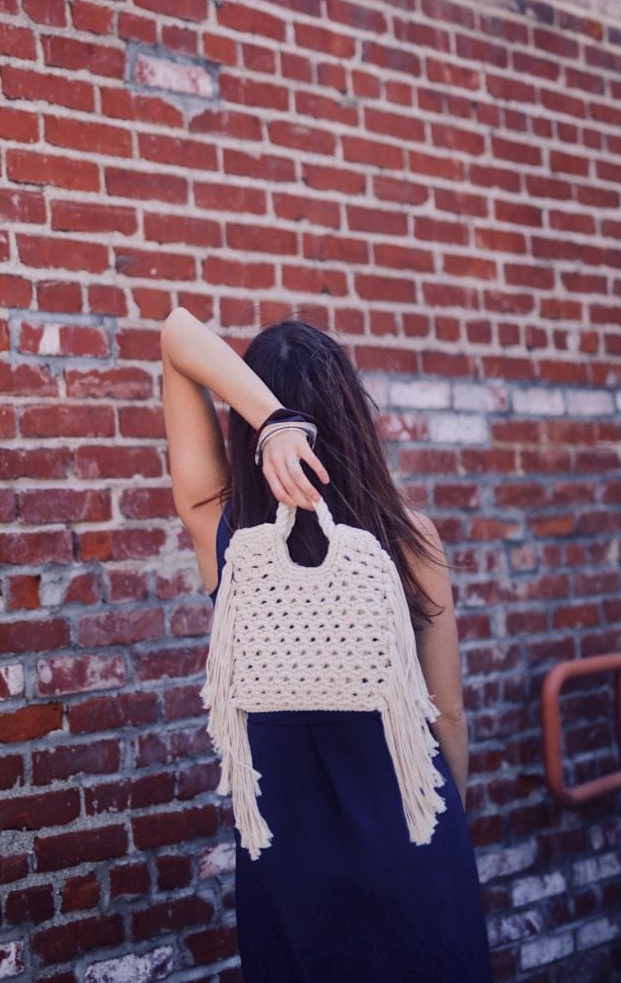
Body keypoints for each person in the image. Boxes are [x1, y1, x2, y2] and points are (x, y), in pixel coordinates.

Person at [161, 307, 493, 983]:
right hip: (412, 847)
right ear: (350, 416)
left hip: (288, 870)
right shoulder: (409, 539)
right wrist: (440, 824)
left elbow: (175, 337)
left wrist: (269, 421)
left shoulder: (223, 535)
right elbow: (446, 715)